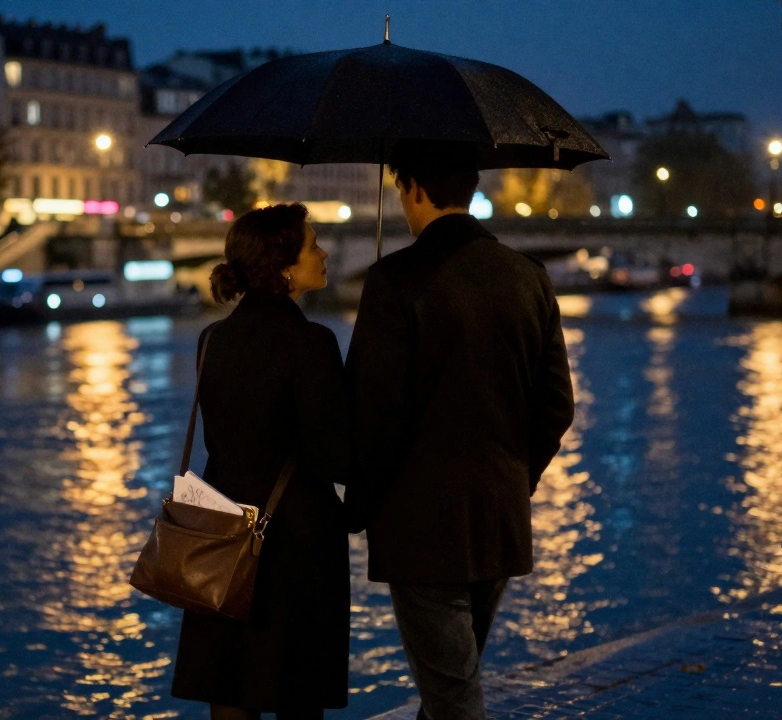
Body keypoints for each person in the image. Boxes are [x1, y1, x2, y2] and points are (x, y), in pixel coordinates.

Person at [345, 143, 575, 720]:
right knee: (449, 683)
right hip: (498, 518)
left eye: (401, 189)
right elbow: (557, 406)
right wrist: (517, 477)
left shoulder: (394, 280)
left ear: (414, 189)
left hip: (420, 526)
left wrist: (357, 506)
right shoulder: (529, 277)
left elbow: (374, 413)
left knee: (452, 696)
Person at [171, 203, 353, 720]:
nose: (324, 253)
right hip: (295, 542)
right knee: (297, 693)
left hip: (221, 535)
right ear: (283, 268)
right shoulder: (311, 342)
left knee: (230, 686)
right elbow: (333, 456)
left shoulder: (213, 339)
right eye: (313, 245)